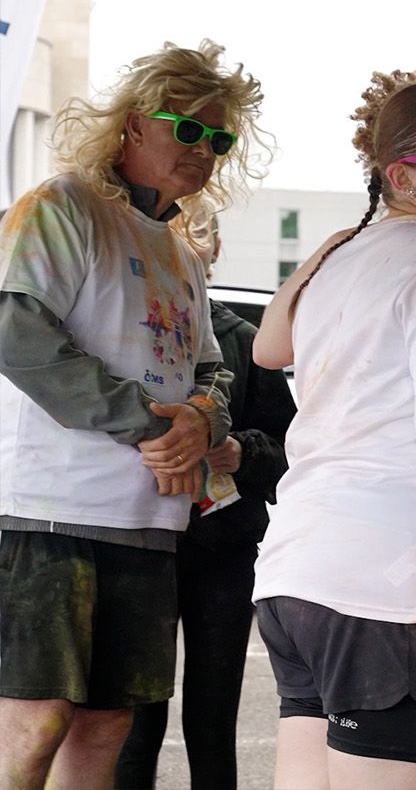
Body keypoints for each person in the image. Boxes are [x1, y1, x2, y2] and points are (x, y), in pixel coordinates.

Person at [0, 40, 261, 790]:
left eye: (219, 139)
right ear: (135, 123)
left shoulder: (181, 249)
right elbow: (15, 333)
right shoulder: (62, 205)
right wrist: (154, 426)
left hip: (148, 518)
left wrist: (204, 422)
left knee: (108, 725)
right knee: (37, 720)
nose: (205, 150)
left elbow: (212, 365)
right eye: (190, 128)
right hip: (48, 511)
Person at [250, 69, 416, 789]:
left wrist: (338, 243)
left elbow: (270, 345)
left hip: (297, 577)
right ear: (402, 176)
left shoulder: (346, 256)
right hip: (387, 587)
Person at [114, 225, 297, 789]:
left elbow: (294, 448)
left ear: (216, 249)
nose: (185, 246)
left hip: (224, 550)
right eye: (174, 233)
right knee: (134, 721)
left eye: (198, 233)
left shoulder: (246, 340)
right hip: (138, 541)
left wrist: (243, 451)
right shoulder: (121, 333)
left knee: (213, 716)